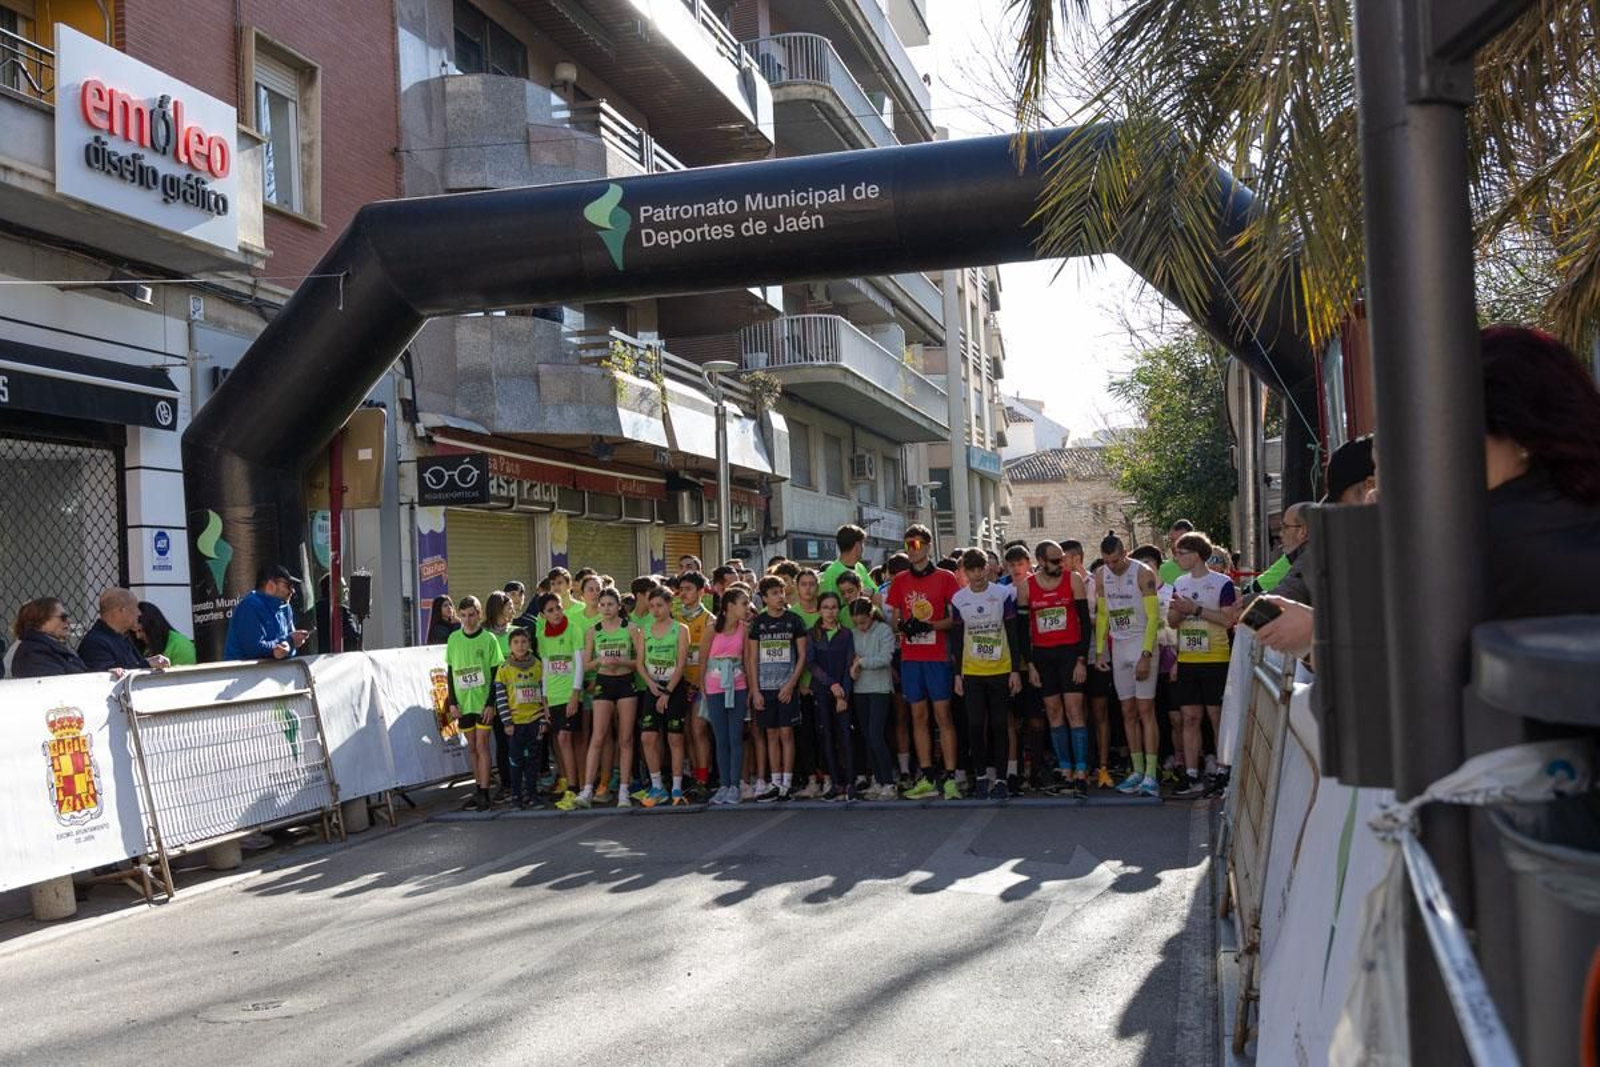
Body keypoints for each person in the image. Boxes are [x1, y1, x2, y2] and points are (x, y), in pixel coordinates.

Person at [885, 525, 964, 800]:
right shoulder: (901, 580)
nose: (911, 549)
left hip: (938, 656)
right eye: (907, 544)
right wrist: (904, 626)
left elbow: (956, 619)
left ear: (928, 546)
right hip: (910, 658)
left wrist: (929, 625)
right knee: (917, 716)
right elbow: (894, 619)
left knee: (943, 716)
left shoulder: (946, 577)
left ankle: (952, 777)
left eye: (916, 544)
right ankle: (927, 776)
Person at [1017, 539, 1093, 797]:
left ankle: (1082, 772)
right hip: (1043, 656)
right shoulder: (1026, 587)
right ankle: (1065, 769)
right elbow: (1021, 631)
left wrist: (1081, 659)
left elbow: (1085, 623)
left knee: (1074, 710)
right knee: (1053, 711)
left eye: (1062, 559)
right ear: (1040, 560)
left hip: (1070, 653)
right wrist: (1031, 665)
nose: (1060, 564)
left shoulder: (1073, 581)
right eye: (1054, 560)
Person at [1168, 531, 1238, 797]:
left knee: (1216, 715)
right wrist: (1178, 612)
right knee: (1190, 717)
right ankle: (1191, 773)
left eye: (1181, 553)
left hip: (1216, 658)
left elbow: (1228, 619)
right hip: (1187, 657)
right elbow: (1172, 621)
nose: (1177, 558)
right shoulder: (1179, 582)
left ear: (1196, 554)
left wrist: (1194, 609)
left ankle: (1223, 770)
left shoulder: (1221, 583)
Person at [951, 548, 1022, 800]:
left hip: (1000, 669)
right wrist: (957, 674)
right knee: (974, 725)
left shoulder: (1003, 594)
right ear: (965, 572)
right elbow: (957, 639)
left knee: (1000, 726)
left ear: (988, 568)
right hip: (972, 672)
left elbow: (1013, 633)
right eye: (971, 570)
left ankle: (1001, 779)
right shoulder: (959, 599)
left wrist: (1015, 670)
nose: (977, 574)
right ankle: (981, 776)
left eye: (981, 568)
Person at [1096, 535, 1162, 798]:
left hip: (1141, 644)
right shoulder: (1102, 575)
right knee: (1127, 711)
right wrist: (1100, 650)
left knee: (1146, 709)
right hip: (1119, 646)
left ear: (1125, 553)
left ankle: (1151, 773)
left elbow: (1154, 616)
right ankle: (1136, 770)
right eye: (1106, 561)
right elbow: (1103, 614)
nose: (1111, 566)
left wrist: (1146, 654)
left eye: (1115, 561)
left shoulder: (1143, 573)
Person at [571, 588, 639, 809]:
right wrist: (601, 660)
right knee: (598, 736)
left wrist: (622, 660)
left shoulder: (630, 628)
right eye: (603, 605)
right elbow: (587, 663)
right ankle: (587, 790)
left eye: (611, 604)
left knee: (625, 738)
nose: (606, 609)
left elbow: (640, 661)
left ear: (619, 606)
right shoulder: (593, 630)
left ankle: (623, 792)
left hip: (626, 683)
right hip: (603, 683)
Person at [748, 575, 808, 802]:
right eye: (774, 593)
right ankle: (774, 781)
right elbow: (752, 658)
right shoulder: (758, 623)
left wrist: (791, 684)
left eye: (782, 592)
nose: (780, 597)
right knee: (771, 734)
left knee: (786, 733)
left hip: (787, 687)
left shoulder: (794, 620)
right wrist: (755, 690)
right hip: (765, 687)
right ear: (764, 598)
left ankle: (787, 782)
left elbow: (802, 655)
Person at [445, 596, 504, 811]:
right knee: (471, 747)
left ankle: (486, 792)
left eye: (472, 615)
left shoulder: (489, 639)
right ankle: (478, 789)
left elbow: (496, 672)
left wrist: (491, 703)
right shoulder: (453, 639)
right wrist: (452, 703)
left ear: (479, 615)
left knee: (482, 744)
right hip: (463, 702)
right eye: (463, 616)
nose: (468, 620)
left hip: (482, 702)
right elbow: (450, 672)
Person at [636, 587, 690, 807]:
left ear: (669, 605)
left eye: (660, 605)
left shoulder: (680, 629)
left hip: (674, 689)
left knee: (674, 738)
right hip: (652, 687)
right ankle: (657, 786)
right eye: (652, 606)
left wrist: (667, 692)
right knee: (647, 737)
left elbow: (681, 663)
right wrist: (651, 684)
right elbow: (640, 662)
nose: (656, 610)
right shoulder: (645, 630)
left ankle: (676, 786)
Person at [701, 586, 751, 805]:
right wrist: (702, 687)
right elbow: (703, 660)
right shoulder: (712, 629)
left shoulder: (745, 629)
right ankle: (723, 784)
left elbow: (748, 659)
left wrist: (751, 689)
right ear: (730, 606)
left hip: (738, 686)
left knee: (735, 736)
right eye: (743, 603)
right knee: (720, 738)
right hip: (714, 686)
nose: (747, 607)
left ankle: (735, 785)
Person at [804, 591, 856, 800]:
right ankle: (835, 782)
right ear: (819, 610)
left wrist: (842, 694)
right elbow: (811, 663)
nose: (830, 611)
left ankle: (850, 782)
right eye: (825, 607)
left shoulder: (846, 634)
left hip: (843, 693)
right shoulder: (812, 634)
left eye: (834, 607)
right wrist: (830, 684)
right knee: (826, 737)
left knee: (846, 737)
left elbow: (849, 664)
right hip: (822, 690)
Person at [536, 593, 584, 809]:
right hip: (552, 696)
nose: (556, 613)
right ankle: (569, 783)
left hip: (569, 694)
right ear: (543, 615)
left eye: (558, 608)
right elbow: (546, 668)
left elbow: (579, 664)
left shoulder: (573, 628)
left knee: (566, 739)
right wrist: (544, 700)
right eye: (550, 610)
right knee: (560, 741)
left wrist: (575, 694)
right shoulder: (543, 636)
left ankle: (574, 789)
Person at [848, 596, 898, 799]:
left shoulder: (883, 630)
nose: (860, 626)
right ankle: (877, 780)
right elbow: (851, 659)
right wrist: (855, 665)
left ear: (871, 616)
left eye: (863, 622)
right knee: (868, 737)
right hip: (860, 689)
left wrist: (861, 662)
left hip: (879, 688)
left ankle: (889, 783)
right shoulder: (852, 633)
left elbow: (885, 658)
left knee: (877, 736)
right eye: (856, 622)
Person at [493, 627, 546, 809]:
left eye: (524, 642)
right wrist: (506, 722)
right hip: (515, 724)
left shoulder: (538, 665)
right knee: (515, 762)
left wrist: (544, 720)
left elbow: (544, 694)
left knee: (533, 761)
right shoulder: (504, 669)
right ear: (510, 646)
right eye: (516, 642)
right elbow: (501, 698)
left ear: (529, 644)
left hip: (534, 720)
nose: (520, 646)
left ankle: (532, 794)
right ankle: (516, 796)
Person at [223, 565, 308, 661]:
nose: (292, 591)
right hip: (242, 673)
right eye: (287, 585)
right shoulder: (250, 605)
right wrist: (289, 642)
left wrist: (291, 643)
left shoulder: (285, 608)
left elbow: (289, 647)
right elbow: (253, 649)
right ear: (270, 586)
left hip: (272, 672)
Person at [80, 588, 167, 672]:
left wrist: (149, 663)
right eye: (135, 608)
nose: (139, 613)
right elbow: (108, 679)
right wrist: (147, 664)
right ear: (122, 611)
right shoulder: (95, 644)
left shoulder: (121, 638)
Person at [9, 598, 91, 678]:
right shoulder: (35, 653)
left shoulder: (50, 648)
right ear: (41, 622)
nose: (69, 621)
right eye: (63, 617)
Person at [1251, 502, 1310, 599]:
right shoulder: (1301, 556)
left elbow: (1284, 597)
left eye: (1285, 527)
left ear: (1302, 531)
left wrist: (1246, 601)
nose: (1280, 534)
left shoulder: (1308, 560)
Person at [818, 524, 879, 599]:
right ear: (857, 546)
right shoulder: (832, 573)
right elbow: (829, 605)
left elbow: (876, 592)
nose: (864, 547)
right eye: (862, 543)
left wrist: (871, 592)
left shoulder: (860, 567)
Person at [135, 601, 197, 666]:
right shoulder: (144, 646)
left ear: (153, 627)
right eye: (134, 632)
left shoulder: (180, 646)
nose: (138, 636)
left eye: (141, 631)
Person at [316, 574, 363, 653]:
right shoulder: (342, 611)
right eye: (343, 586)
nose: (347, 590)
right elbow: (353, 639)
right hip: (337, 658)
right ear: (335, 589)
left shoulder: (314, 610)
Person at [1160, 520, 1194, 585]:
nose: (1175, 546)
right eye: (1172, 540)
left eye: (1180, 541)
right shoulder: (1161, 571)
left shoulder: (1206, 568)